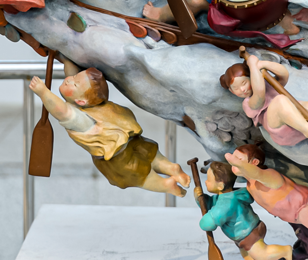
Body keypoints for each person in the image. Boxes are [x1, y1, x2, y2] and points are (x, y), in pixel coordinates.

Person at [28, 67, 190, 197]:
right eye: (74, 77)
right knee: (151, 155)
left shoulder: (79, 118)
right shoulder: (93, 103)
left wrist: (43, 92)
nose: (70, 79)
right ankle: (172, 168)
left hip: (116, 157)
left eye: (75, 83)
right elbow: (71, 73)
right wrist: (64, 58)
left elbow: (60, 110)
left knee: (139, 176)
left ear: (80, 101)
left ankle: (166, 185)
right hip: (133, 140)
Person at [225, 144, 308, 246]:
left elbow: (256, 173)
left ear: (254, 162)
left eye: (239, 159)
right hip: (290, 214)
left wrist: (236, 162)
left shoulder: (268, 175)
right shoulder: (250, 185)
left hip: (298, 206)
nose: (234, 163)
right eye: (234, 159)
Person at [220, 50, 308, 147]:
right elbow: (259, 94)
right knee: (280, 100)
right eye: (236, 88)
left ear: (251, 79)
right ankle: (305, 128)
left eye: (244, 83)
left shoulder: (267, 85)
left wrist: (262, 64)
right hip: (279, 127)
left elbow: (283, 74)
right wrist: (253, 67)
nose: (242, 89)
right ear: (231, 91)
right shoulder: (248, 103)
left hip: (294, 114)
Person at [196, 160, 293, 260]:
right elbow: (210, 204)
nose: (206, 182)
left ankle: (285, 250)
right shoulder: (228, 196)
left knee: (261, 254)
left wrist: (204, 222)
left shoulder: (226, 204)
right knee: (250, 257)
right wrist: (200, 198)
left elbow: (210, 222)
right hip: (246, 232)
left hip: (248, 233)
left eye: (208, 180)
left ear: (220, 185)